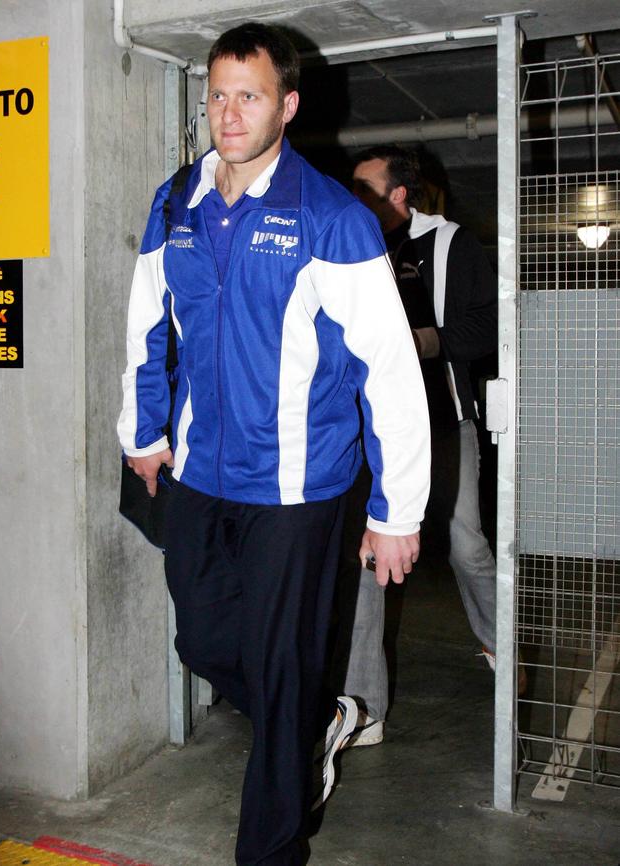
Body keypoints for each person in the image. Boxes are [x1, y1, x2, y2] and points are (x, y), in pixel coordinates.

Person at [117, 26, 430, 866]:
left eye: (248, 95)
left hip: (301, 489)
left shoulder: (330, 216)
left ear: (286, 106)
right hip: (203, 474)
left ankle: (273, 847)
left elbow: (389, 372)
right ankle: (319, 720)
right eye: (218, 94)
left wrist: (397, 509)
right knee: (205, 643)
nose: (228, 111)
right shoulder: (173, 203)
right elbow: (148, 327)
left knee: (282, 669)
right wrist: (142, 433)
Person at [336, 145, 500, 747]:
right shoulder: (350, 244)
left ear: (398, 194)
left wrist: (416, 343)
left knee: (465, 545)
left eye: (366, 186)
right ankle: (364, 708)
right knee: (368, 559)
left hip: (442, 420)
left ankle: (499, 648)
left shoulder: (450, 243)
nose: (354, 196)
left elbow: (485, 327)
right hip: (371, 430)